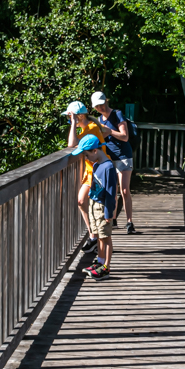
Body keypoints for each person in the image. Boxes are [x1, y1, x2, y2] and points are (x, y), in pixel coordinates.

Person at [64, 100, 110, 254]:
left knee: (87, 202)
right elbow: (106, 131)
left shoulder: (90, 128)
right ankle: (94, 237)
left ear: (80, 116)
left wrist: (73, 123)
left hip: (97, 171)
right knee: (82, 201)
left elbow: (71, 144)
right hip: (91, 171)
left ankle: (95, 238)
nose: (69, 119)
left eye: (70, 116)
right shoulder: (89, 127)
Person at [71, 133, 116, 279]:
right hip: (94, 205)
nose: (86, 158)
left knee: (106, 237)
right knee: (99, 236)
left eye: (87, 154)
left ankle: (106, 267)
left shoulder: (108, 167)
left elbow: (111, 193)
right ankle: (100, 262)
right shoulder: (96, 165)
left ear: (95, 151)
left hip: (103, 207)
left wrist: (109, 213)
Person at [91, 91, 135, 233]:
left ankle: (129, 222)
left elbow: (125, 136)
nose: (100, 108)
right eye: (97, 106)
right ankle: (113, 219)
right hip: (109, 158)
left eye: (101, 104)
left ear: (106, 101)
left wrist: (110, 131)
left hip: (123, 156)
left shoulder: (117, 114)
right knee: (112, 190)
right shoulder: (99, 120)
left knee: (124, 190)